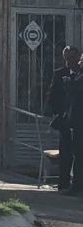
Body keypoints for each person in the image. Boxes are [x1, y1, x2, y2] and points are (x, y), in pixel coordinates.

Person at [46, 45, 83, 194]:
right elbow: (52, 97)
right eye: (67, 58)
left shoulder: (80, 74)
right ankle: (63, 184)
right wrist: (59, 114)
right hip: (66, 119)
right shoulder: (60, 74)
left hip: (78, 120)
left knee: (78, 153)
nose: (70, 61)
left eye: (73, 57)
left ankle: (76, 185)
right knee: (66, 152)